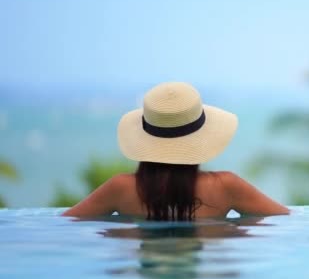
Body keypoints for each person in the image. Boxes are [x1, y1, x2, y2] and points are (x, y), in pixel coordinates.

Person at [62, 82, 289, 219]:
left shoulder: (120, 188)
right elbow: (284, 220)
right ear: (202, 137)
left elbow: (66, 223)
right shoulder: (226, 186)